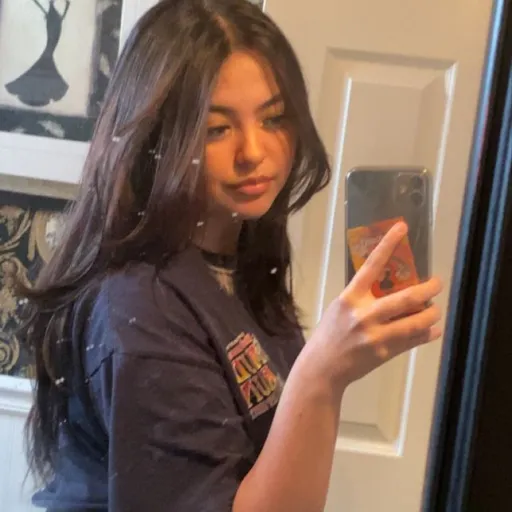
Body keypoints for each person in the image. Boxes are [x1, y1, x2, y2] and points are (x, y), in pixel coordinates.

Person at [19, 1, 443, 510]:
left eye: (274, 118)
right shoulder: (142, 308)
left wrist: (327, 372)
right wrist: (323, 374)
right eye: (217, 128)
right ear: (158, 136)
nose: (254, 152)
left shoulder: (239, 255)